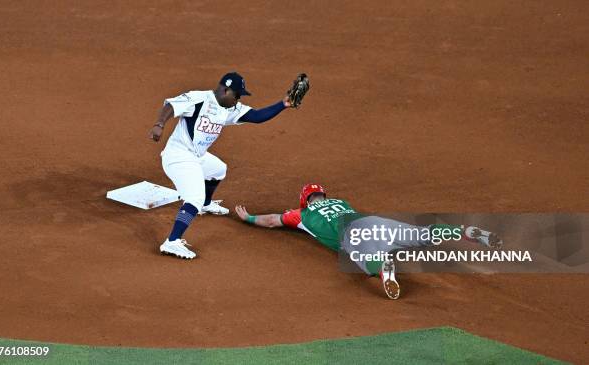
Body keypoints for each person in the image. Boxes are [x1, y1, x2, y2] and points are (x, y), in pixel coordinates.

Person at [234, 184, 503, 299]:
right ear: (325, 196)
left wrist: (248, 218)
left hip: (351, 235)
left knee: (363, 261)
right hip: (373, 222)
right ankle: (466, 232)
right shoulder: (342, 202)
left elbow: (271, 221)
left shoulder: (300, 214)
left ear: (305, 200)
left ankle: (384, 269)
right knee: (419, 236)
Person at [149, 72, 294, 260]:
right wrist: (159, 124)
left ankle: (206, 205)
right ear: (225, 90)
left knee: (218, 169)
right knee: (194, 197)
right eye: (237, 95)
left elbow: (257, 116)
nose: (238, 99)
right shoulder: (199, 99)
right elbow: (171, 105)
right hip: (178, 156)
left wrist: (283, 104)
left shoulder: (230, 108)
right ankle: (172, 241)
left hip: (196, 156)